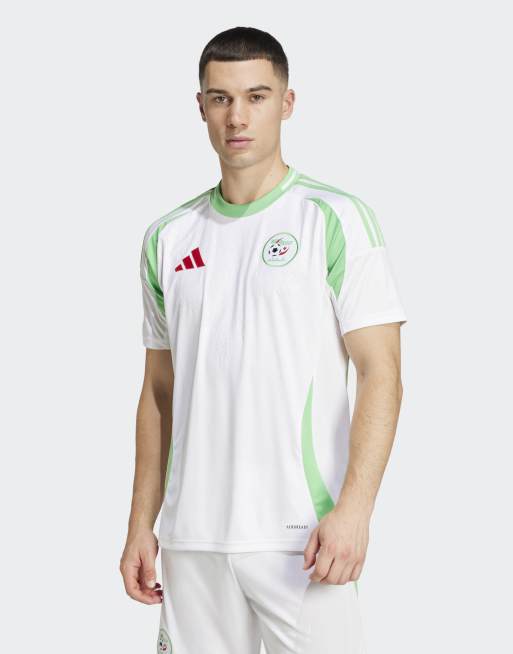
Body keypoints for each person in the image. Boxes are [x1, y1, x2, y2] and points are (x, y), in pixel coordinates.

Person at [120, 25, 408, 654]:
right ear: (200, 107)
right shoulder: (167, 237)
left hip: (301, 539)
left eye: (256, 96)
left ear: (287, 102)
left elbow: (381, 372)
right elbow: (159, 393)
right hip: (193, 539)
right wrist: (142, 522)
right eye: (220, 99)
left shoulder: (334, 218)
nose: (237, 117)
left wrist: (355, 510)